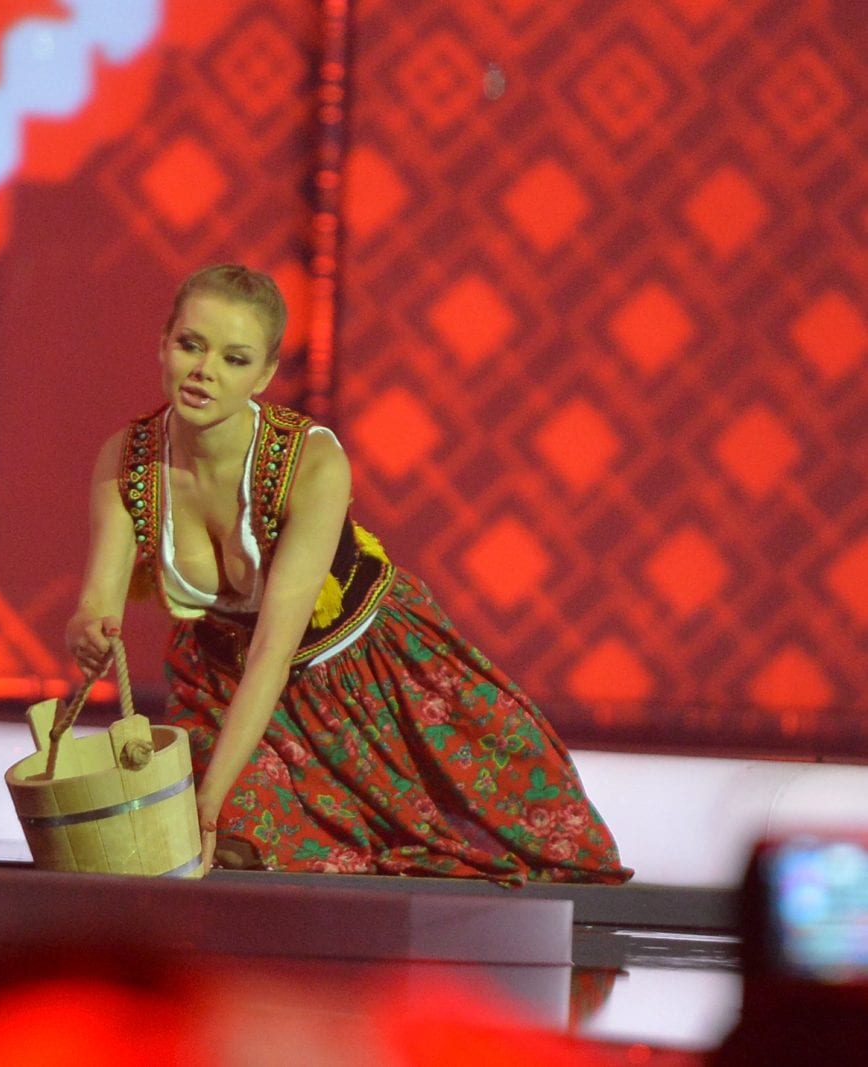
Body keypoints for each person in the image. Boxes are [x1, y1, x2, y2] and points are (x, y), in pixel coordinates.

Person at [66, 264, 631, 885]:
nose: (205, 370)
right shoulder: (128, 460)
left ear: (264, 375)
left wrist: (206, 804)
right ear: (163, 344)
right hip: (224, 692)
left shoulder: (311, 461)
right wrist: (89, 631)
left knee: (535, 832)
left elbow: (273, 654)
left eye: (234, 358)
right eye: (190, 345)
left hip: (370, 677)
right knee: (245, 833)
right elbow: (97, 604)